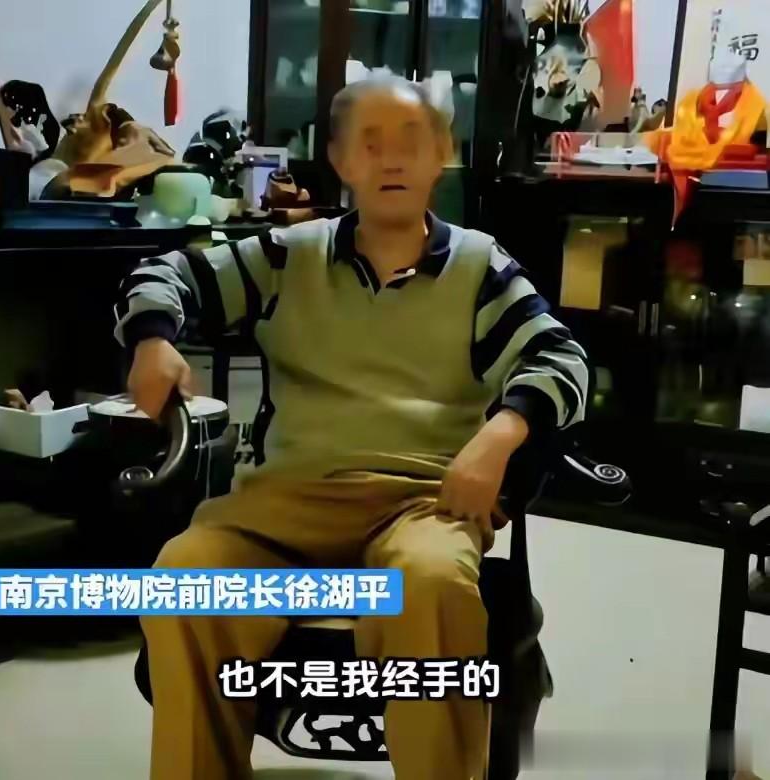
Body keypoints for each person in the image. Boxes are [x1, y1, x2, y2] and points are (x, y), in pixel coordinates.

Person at [115, 75, 588, 780]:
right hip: (281, 508)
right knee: (185, 579)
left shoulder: (479, 268)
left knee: (432, 583)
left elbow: (560, 357)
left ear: (442, 154)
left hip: (420, 503)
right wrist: (153, 339)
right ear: (339, 160)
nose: (391, 159)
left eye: (410, 142)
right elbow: (164, 274)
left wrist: (500, 434)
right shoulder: (287, 256)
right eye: (370, 143)